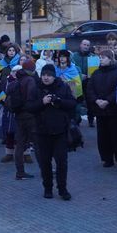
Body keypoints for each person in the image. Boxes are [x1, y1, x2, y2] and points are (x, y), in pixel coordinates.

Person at [29, 64, 76, 200]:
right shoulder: (36, 88)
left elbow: (72, 103)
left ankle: (62, 189)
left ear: (54, 76)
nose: (46, 78)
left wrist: (59, 102)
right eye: (44, 75)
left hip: (60, 131)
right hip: (41, 132)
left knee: (62, 162)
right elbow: (29, 106)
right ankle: (47, 188)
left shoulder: (63, 87)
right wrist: (42, 102)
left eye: (49, 75)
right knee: (45, 162)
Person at [86, 49, 117, 168]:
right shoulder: (96, 73)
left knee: (116, 135)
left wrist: (108, 100)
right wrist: (97, 100)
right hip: (100, 110)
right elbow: (90, 89)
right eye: (100, 58)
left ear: (110, 59)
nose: (101, 59)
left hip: (113, 109)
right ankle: (107, 158)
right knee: (103, 136)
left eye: (103, 57)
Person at [12, 59, 40, 180]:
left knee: (20, 145)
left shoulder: (18, 78)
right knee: (38, 144)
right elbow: (31, 98)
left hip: (19, 115)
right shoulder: (30, 80)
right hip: (29, 115)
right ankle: (45, 169)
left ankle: (20, 172)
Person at [72, 39, 97, 127]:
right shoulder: (73, 56)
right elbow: (71, 68)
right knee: (76, 101)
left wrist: (88, 75)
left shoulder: (93, 57)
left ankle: (91, 120)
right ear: (80, 45)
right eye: (84, 44)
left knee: (90, 102)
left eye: (87, 45)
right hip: (76, 82)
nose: (86, 46)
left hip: (89, 82)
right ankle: (76, 119)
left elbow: (94, 72)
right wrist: (79, 75)